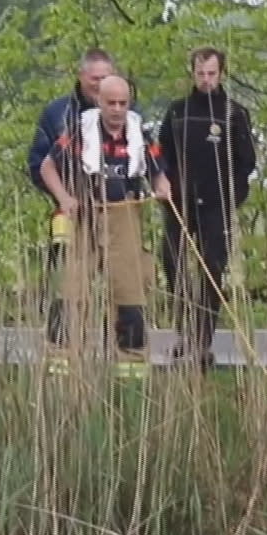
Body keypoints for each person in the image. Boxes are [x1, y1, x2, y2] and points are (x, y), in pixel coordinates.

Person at [39, 74, 171, 374]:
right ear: (99, 102)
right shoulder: (80, 131)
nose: (116, 109)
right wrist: (63, 198)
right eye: (110, 103)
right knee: (71, 288)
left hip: (124, 214)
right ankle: (60, 362)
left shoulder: (140, 133)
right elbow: (47, 166)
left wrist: (163, 186)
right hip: (83, 213)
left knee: (129, 289)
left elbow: (157, 171)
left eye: (122, 103)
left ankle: (132, 365)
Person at [156, 46, 258, 371]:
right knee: (172, 260)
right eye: (200, 73)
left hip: (217, 206)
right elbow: (161, 154)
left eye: (212, 73)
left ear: (221, 74)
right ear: (192, 73)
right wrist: (162, 182)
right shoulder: (177, 112)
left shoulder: (234, 114)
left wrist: (232, 200)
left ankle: (202, 340)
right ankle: (185, 330)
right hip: (180, 203)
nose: (206, 79)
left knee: (211, 272)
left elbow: (247, 163)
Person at [30, 50, 120, 349]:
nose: (100, 84)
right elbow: (38, 164)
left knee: (123, 290)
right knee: (67, 290)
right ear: (81, 77)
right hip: (71, 215)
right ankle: (62, 356)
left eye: (106, 78)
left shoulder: (128, 116)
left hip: (118, 215)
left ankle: (118, 354)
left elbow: (150, 160)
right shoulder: (58, 114)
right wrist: (64, 196)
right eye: (95, 79)